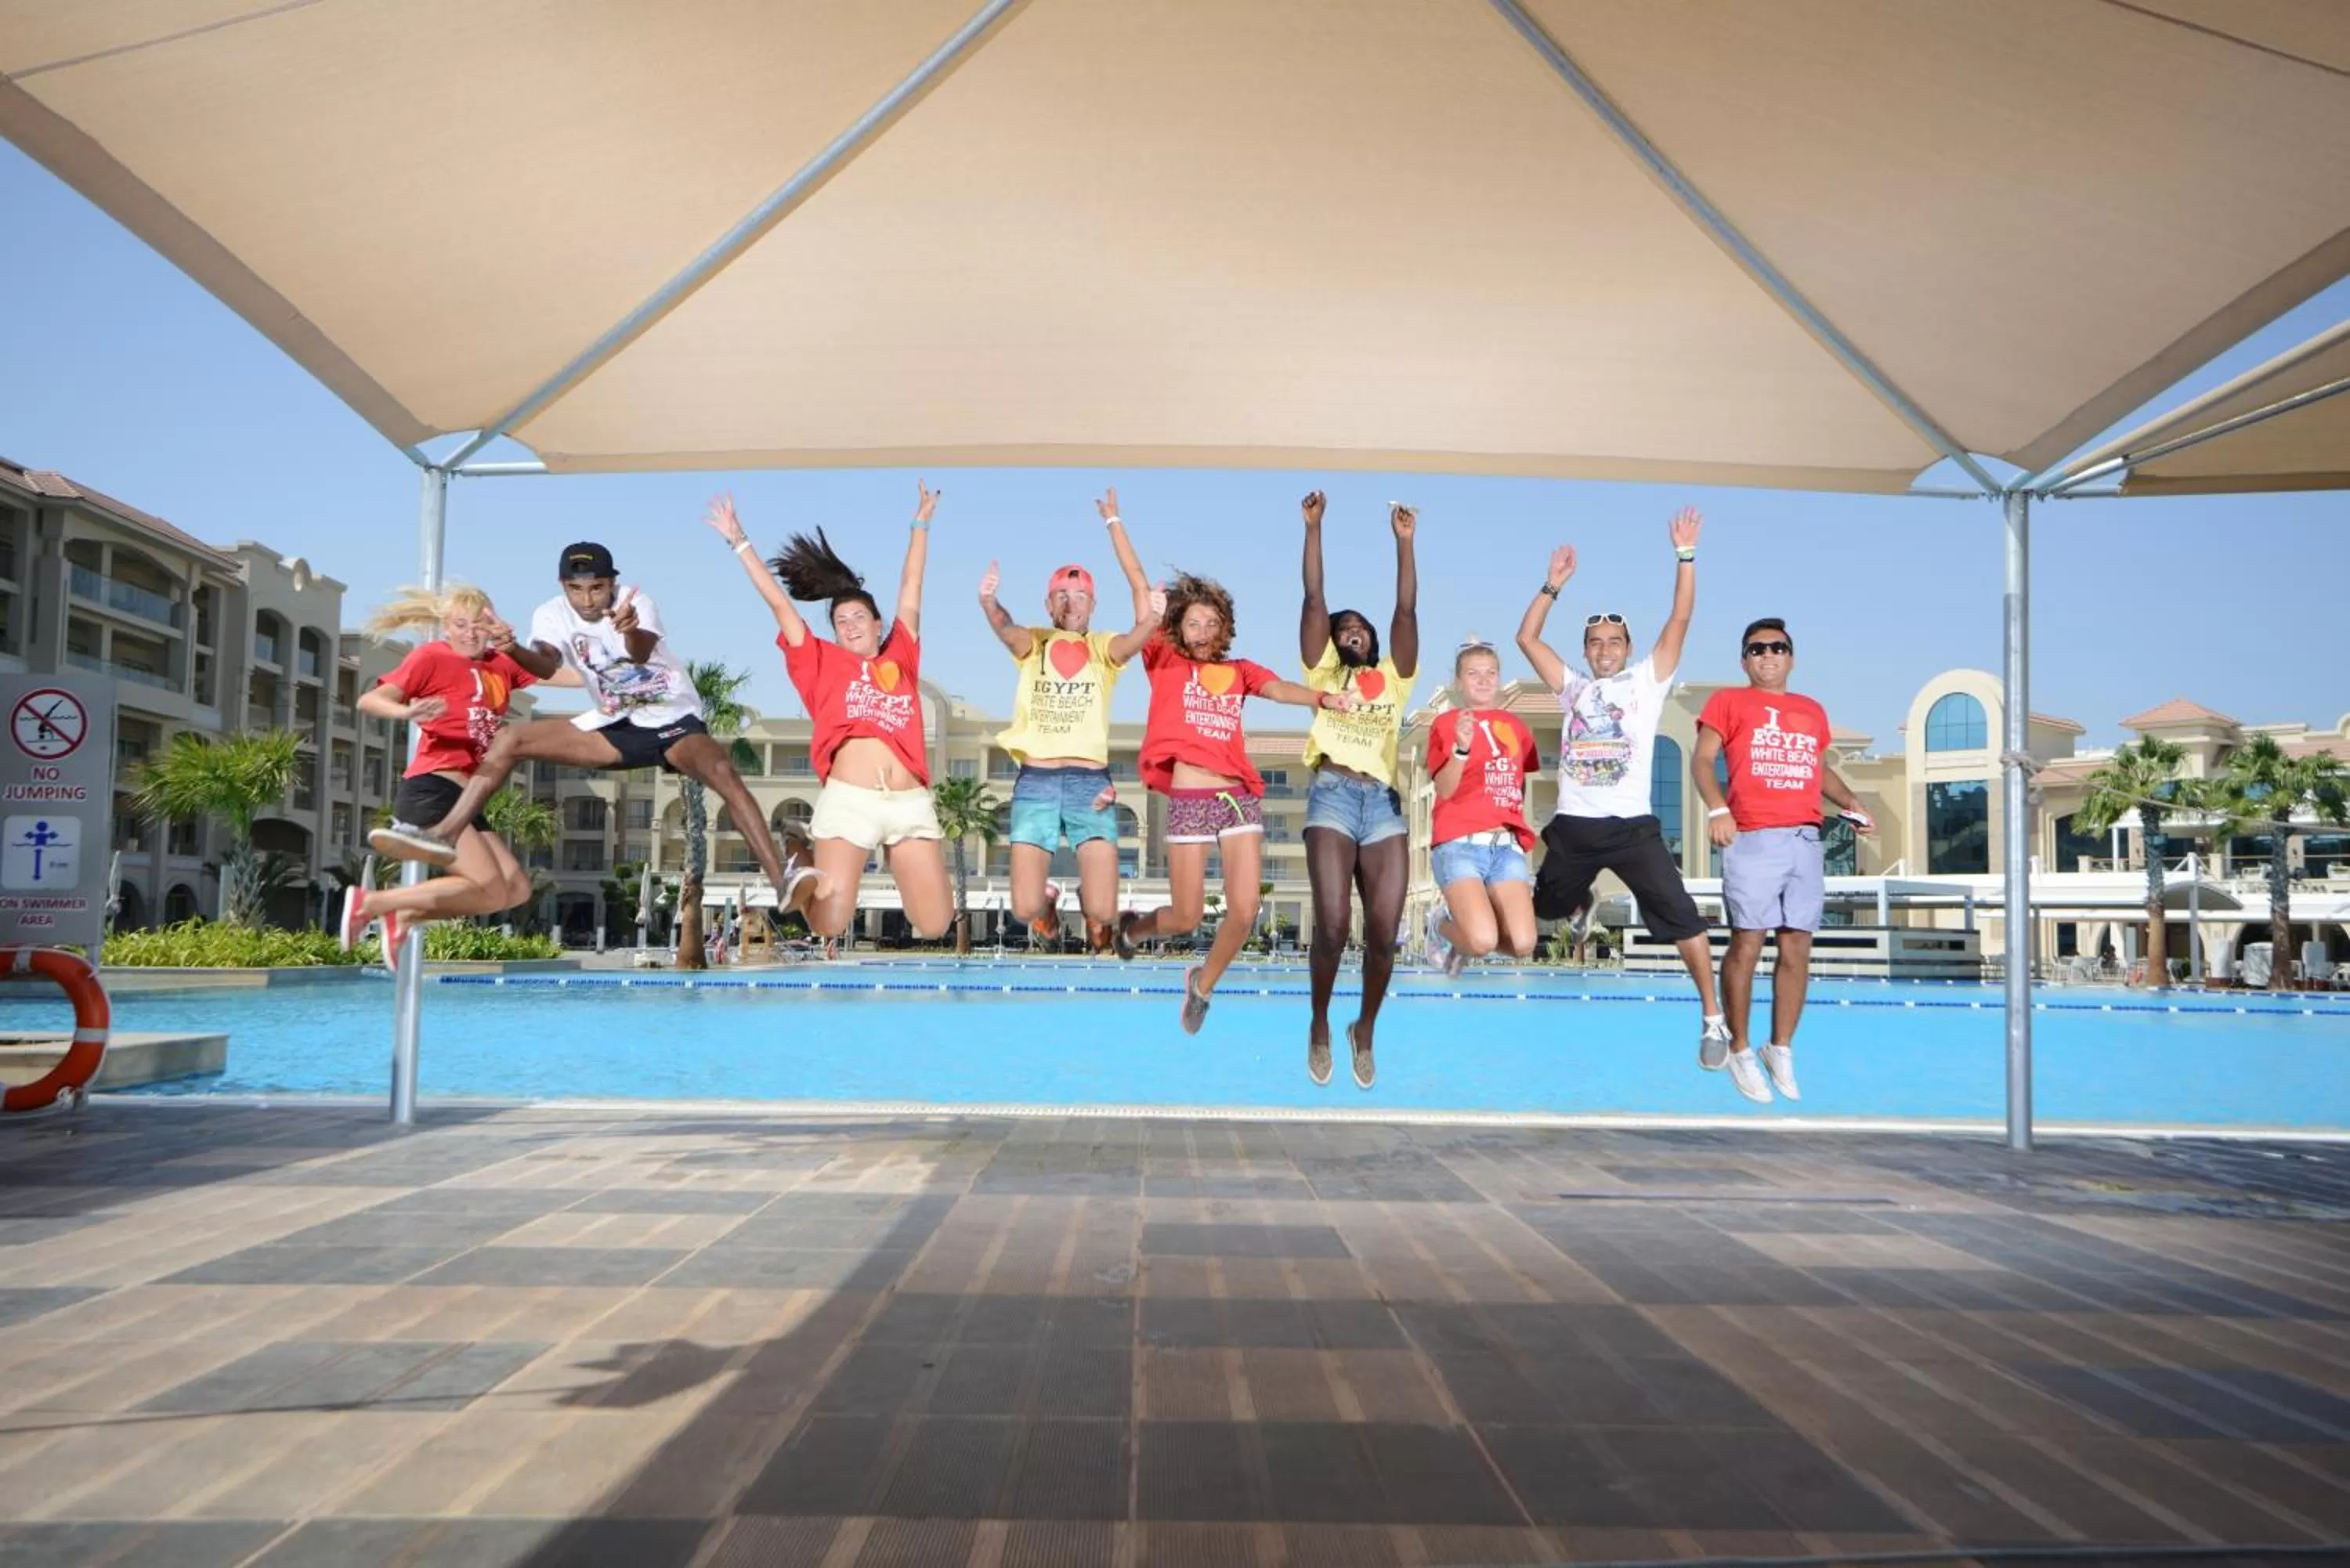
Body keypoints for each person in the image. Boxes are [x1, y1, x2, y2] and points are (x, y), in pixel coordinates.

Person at [374, 541, 820, 927]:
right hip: (614, 725)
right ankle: (446, 834)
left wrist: (627, 630)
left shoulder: (636, 601)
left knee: (723, 772)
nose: (588, 600)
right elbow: (546, 663)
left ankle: (780, 881)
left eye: (596, 588)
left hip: (672, 722)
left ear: (611, 583)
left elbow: (642, 649)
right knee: (511, 739)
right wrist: (512, 649)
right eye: (576, 589)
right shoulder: (550, 614)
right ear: (562, 586)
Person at [1515, 508, 1726, 1065]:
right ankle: (1581, 896)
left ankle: (1712, 1020)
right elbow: (1526, 637)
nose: (1605, 649)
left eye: (1614, 641)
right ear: (1585, 650)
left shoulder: (1647, 682)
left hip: (1633, 829)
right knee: (1547, 907)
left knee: (1684, 919)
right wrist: (1552, 585)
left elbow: (1679, 621)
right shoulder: (1574, 690)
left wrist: (1685, 557)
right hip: (1574, 830)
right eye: (1595, 642)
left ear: (1628, 648)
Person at [1112, 565, 1358, 1037]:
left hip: (1238, 796)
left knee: (1244, 911)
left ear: (1225, 627)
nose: (1202, 633)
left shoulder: (1239, 671)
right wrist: (1114, 523)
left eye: (1212, 624)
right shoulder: (1163, 658)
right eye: (1193, 623)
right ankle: (1134, 931)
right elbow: (1140, 592)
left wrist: (1324, 699)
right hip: (1190, 796)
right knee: (1185, 916)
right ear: (1178, 627)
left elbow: (1280, 689)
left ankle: (1201, 987)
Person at [706, 483, 953, 941]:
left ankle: (823, 853)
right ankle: (799, 850)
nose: (852, 624)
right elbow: (779, 604)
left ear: (879, 625)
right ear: (834, 632)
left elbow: (912, 588)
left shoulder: (901, 656)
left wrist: (921, 523)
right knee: (830, 925)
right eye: (842, 621)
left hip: (909, 801)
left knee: (936, 924)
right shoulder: (819, 661)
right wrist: (740, 541)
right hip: (850, 801)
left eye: (860, 617)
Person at [1692, 616, 1876, 1104]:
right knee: (1747, 943)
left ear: (1790, 657)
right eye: (1756, 649)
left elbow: (1817, 770)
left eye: (1777, 648)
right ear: (1744, 659)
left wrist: (1852, 803)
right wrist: (1718, 808)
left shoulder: (1810, 711)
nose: (1767, 656)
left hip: (1805, 838)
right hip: (1754, 837)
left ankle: (1782, 1048)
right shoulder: (1727, 702)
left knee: (1797, 946)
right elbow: (1701, 759)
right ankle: (1741, 1047)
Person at [978, 486, 1155, 953]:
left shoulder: (1102, 648)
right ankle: (1049, 909)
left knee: (1102, 911)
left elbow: (1140, 628)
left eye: (1080, 595)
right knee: (1023, 908)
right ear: (1048, 604)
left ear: (1093, 605)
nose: (1071, 601)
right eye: (1061, 594)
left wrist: (1114, 523)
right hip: (1036, 781)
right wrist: (990, 603)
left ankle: (1086, 906)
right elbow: (1005, 628)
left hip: (1090, 785)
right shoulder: (1033, 643)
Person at [340, 583, 541, 969]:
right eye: (461, 624)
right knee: (487, 887)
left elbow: (564, 676)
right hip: (433, 786)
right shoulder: (431, 656)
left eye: (480, 624)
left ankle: (405, 915)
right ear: (447, 627)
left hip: (468, 798)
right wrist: (407, 714)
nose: (471, 633)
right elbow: (370, 700)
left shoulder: (502, 663)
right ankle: (373, 903)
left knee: (514, 889)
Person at [1297, 491, 1418, 1089]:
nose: (1351, 632)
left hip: (1384, 807)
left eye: (1359, 629)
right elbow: (1315, 598)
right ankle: (1319, 1022)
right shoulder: (1321, 675)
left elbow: (1405, 615)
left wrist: (1403, 542)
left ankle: (1362, 1030)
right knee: (1333, 924)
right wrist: (1314, 528)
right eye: (1343, 629)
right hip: (1333, 797)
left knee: (1383, 933)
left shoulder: (1393, 680)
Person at [1423, 638, 1542, 975]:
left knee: (1522, 945)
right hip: (1460, 845)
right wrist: (1461, 749)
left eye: (1491, 673)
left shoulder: (1517, 727)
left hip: (1505, 849)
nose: (1484, 680)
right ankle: (1440, 925)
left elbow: (1517, 783)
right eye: (1473, 673)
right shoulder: (1446, 723)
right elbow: (1445, 788)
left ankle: (1462, 938)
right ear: (1458, 682)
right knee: (1483, 941)